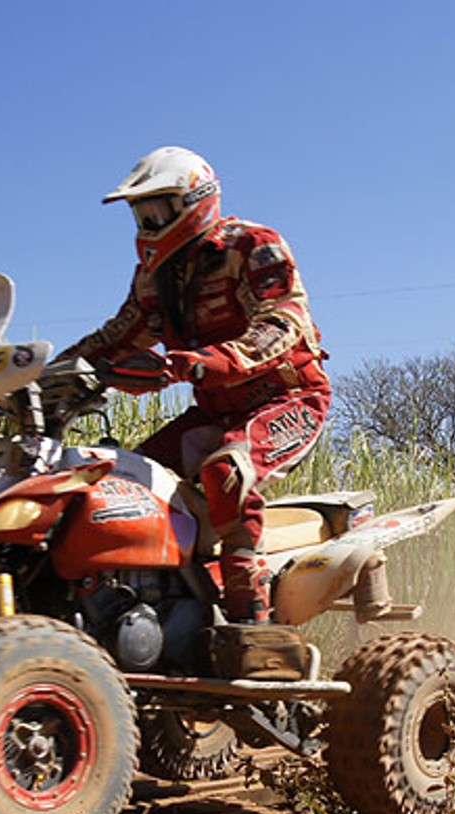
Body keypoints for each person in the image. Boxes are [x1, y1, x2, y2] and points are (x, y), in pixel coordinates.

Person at [61, 146, 329, 625]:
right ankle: (157, 609)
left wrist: (201, 363)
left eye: (158, 209)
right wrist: (43, 375)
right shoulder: (154, 277)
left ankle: (250, 620)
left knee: (226, 471)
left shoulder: (252, 246)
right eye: (141, 213)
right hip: (214, 412)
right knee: (126, 484)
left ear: (196, 200)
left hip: (288, 397)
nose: (148, 223)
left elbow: (283, 321)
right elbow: (117, 336)